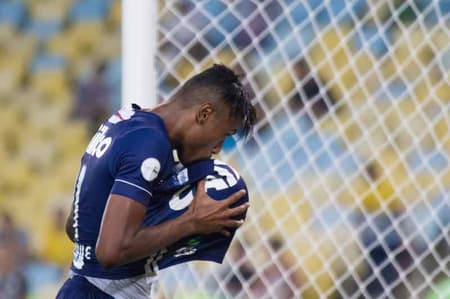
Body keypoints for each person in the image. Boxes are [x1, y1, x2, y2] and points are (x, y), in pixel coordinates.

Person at [56, 64, 256, 298]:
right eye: (223, 135)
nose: (218, 148)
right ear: (204, 114)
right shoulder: (150, 145)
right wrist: (191, 221)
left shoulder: (125, 120)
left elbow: (75, 226)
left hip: (82, 286)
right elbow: (110, 252)